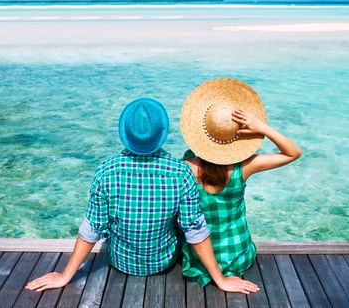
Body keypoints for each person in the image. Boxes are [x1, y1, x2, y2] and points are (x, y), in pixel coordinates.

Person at [25, 98, 259, 293]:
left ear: (124, 133)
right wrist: (220, 280)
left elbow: (92, 227)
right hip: (163, 263)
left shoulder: (106, 170)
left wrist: (66, 275)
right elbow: (194, 230)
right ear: (162, 133)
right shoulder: (179, 171)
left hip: (121, 263)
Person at [179, 78, 302, 290]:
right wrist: (262, 128)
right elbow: (293, 153)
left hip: (200, 261)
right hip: (239, 255)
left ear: (201, 133)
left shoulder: (185, 168)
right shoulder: (244, 167)